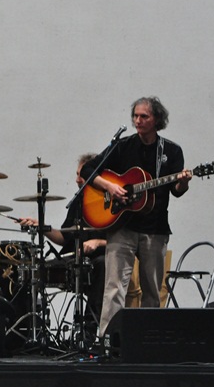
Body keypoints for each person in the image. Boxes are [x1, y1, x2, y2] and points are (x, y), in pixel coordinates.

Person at [79, 96, 192, 336]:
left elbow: (177, 191)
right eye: (135, 116)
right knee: (114, 288)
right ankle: (108, 341)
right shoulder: (123, 146)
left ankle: (148, 340)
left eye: (144, 116)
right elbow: (88, 169)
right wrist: (110, 187)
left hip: (155, 228)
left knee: (152, 290)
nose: (138, 121)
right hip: (122, 227)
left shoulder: (171, 151)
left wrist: (183, 182)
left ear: (157, 120)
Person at [17, 153, 107, 337]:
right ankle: (30, 330)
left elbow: (123, 241)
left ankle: (88, 330)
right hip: (75, 258)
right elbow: (64, 238)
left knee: (102, 264)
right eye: (77, 174)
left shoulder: (110, 201)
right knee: (33, 269)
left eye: (81, 175)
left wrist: (98, 242)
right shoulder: (78, 202)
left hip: (100, 260)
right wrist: (41, 227)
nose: (77, 180)